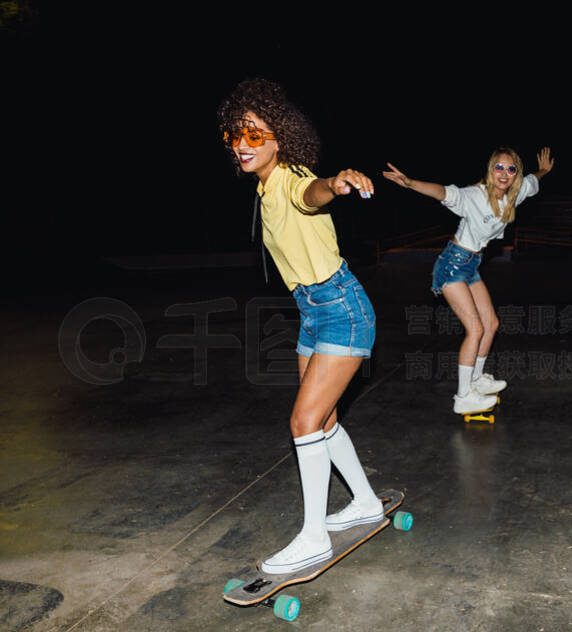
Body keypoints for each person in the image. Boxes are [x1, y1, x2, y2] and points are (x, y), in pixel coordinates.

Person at [218, 78, 383, 574]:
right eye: (235, 136)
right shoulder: (265, 187)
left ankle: (314, 537)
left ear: (278, 138)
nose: (243, 145)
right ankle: (365, 502)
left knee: (303, 423)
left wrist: (334, 183)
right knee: (323, 419)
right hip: (313, 312)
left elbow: (311, 194)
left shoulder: (290, 177)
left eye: (254, 135)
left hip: (342, 309)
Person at [382, 146, 554, 414]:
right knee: (475, 329)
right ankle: (463, 396)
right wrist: (410, 183)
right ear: (490, 169)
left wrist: (544, 170)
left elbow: (534, 180)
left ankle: (476, 379)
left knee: (491, 323)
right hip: (452, 266)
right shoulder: (474, 196)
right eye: (499, 167)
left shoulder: (516, 193)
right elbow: (442, 191)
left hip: (472, 264)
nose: (504, 174)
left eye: (511, 169)